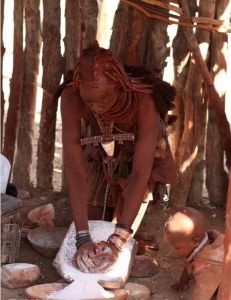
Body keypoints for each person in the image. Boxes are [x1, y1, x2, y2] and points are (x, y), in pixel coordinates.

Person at [59, 41, 177, 273]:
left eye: (103, 100)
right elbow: (74, 167)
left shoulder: (143, 101)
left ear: (119, 86)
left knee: (119, 226)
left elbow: (140, 172)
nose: (96, 108)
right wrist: (82, 237)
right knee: (94, 222)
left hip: (137, 151)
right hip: (102, 143)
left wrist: (118, 240)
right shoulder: (71, 97)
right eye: (89, 101)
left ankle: (128, 229)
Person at [163, 207, 224, 300]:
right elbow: (189, 261)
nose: (173, 251)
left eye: (177, 248)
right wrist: (183, 282)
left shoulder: (208, 266)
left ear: (195, 242)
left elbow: (201, 295)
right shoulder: (204, 243)